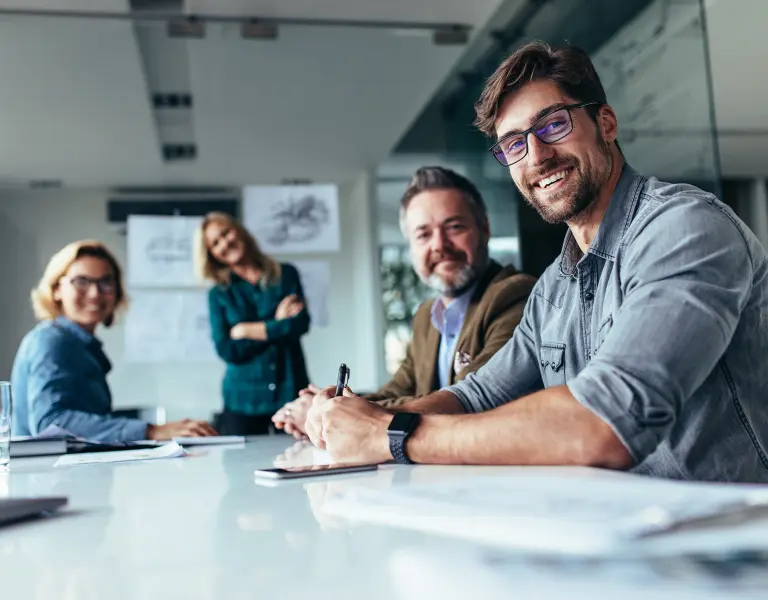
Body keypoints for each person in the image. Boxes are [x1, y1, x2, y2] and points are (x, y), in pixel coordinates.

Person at [303, 41, 768, 483]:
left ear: (606, 123)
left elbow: (605, 423)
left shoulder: (684, 228)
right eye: (514, 144)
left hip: (730, 547)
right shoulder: (554, 287)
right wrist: (364, 421)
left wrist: (392, 435)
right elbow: (477, 395)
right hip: (621, 533)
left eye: (553, 125)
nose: (538, 156)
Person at [272, 167, 536, 438]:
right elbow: (399, 389)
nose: (439, 245)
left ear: (484, 229)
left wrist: (333, 413)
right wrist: (332, 406)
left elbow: (469, 398)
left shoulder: (514, 296)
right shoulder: (427, 315)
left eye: (454, 227)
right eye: (423, 234)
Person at [11, 240, 217, 442]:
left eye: (106, 282)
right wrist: (150, 431)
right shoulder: (51, 342)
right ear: (57, 289)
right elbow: (51, 423)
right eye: (81, 281)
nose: (95, 293)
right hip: (44, 475)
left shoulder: (82, 346)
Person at [196, 212, 310, 435]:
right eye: (215, 243)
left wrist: (246, 330)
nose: (225, 243)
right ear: (211, 255)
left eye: (225, 233)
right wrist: (277, 323)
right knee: (240, 467)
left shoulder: (286, 274)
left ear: (238, 230)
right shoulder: (218, 294)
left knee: (299, 462)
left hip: (290, 390)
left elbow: (299, 324)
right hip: (242, 401)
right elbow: (227, 349)